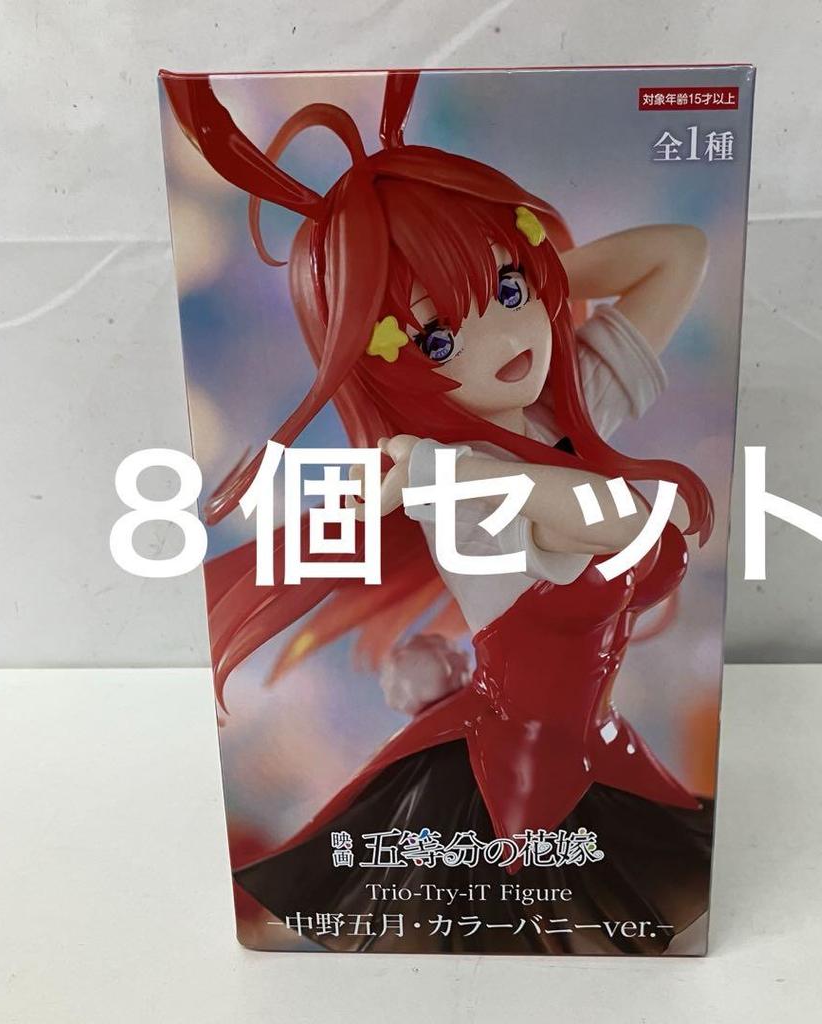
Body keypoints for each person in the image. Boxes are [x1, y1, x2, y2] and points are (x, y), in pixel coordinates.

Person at [164, 70, 715, 953]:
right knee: (538, 947)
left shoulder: (555, 410)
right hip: (522, 781)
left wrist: (515, 272)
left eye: (509, 296)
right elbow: (624, 524)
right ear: (393, 367)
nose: (504, 340)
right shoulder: (448, 484)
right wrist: (439, 458)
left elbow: (677, 254)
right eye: (438, 338)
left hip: (592, 747)